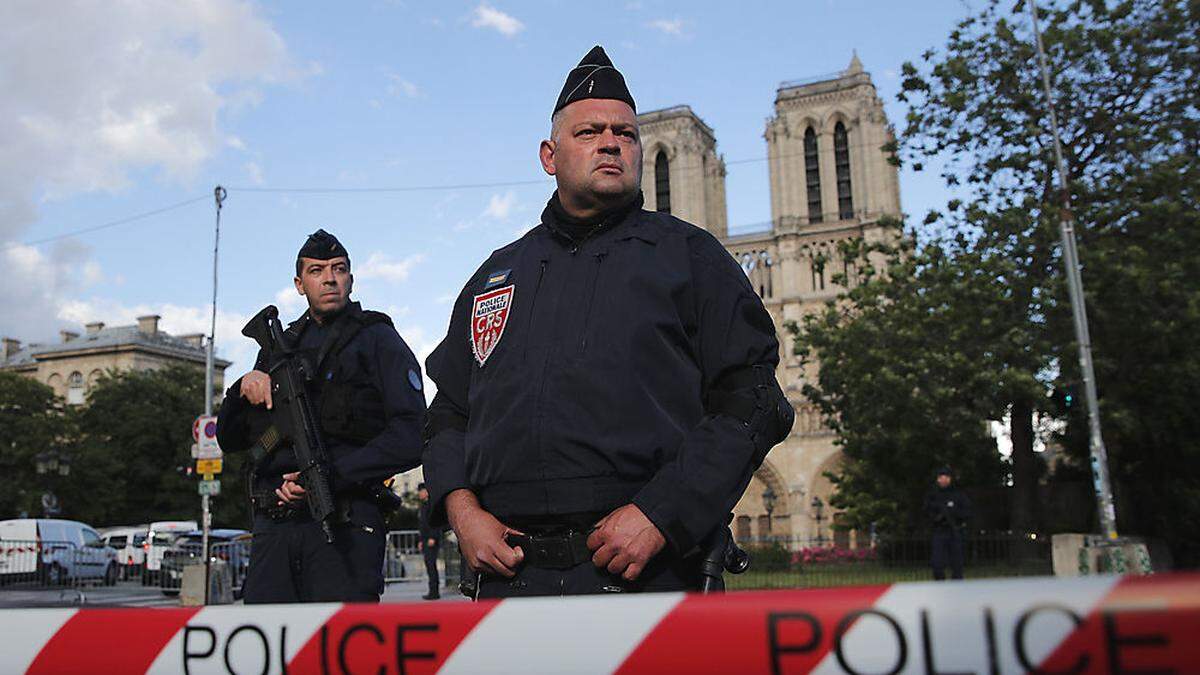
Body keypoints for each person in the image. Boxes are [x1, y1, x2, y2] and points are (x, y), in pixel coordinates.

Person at [422, 46, 793, 598]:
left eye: (626, 133)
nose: (611, 142)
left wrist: (661, 513)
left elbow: (754, 403)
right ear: (549, 156)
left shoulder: (690, 258)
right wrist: (461, 509)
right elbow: (449, 413)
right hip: (510, 576)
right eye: (589, 131)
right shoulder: (496, 276)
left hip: (645, 569)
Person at [216, 229, 426, 603]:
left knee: (341, 651)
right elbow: (230, 439)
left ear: (350, 279)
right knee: (268, 646)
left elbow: (411, 435)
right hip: (276, 529)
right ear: (299, 284)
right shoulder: (281, 348)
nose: (329, 278)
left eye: (338, 268)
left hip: (345, 522)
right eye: (316, 270)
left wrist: (330, 477)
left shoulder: (377, 339)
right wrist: (241, 388)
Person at [924, 465, 972, 580]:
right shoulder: (932, 495)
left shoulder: (958, 495)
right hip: (939, 531)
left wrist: (954, 513)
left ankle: (957, 589)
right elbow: (926, 511)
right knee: (937, 564)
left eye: (946, 477)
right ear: (937, 479)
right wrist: (937, 516)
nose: (944, 479)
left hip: (955, 531)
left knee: (957, 564)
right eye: (941, 477)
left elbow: (967, 512)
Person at [416, 482, 442, 600]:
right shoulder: (423, 506)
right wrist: (421, 540)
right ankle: (432, 590)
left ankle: (434, 591)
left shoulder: (431, 505)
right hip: (425, 539)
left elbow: (434, 523)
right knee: (429, 565)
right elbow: (422, 525)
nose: (419, 494)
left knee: (431, 566)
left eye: (421, 491)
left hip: (431, 539)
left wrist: (432, 537)